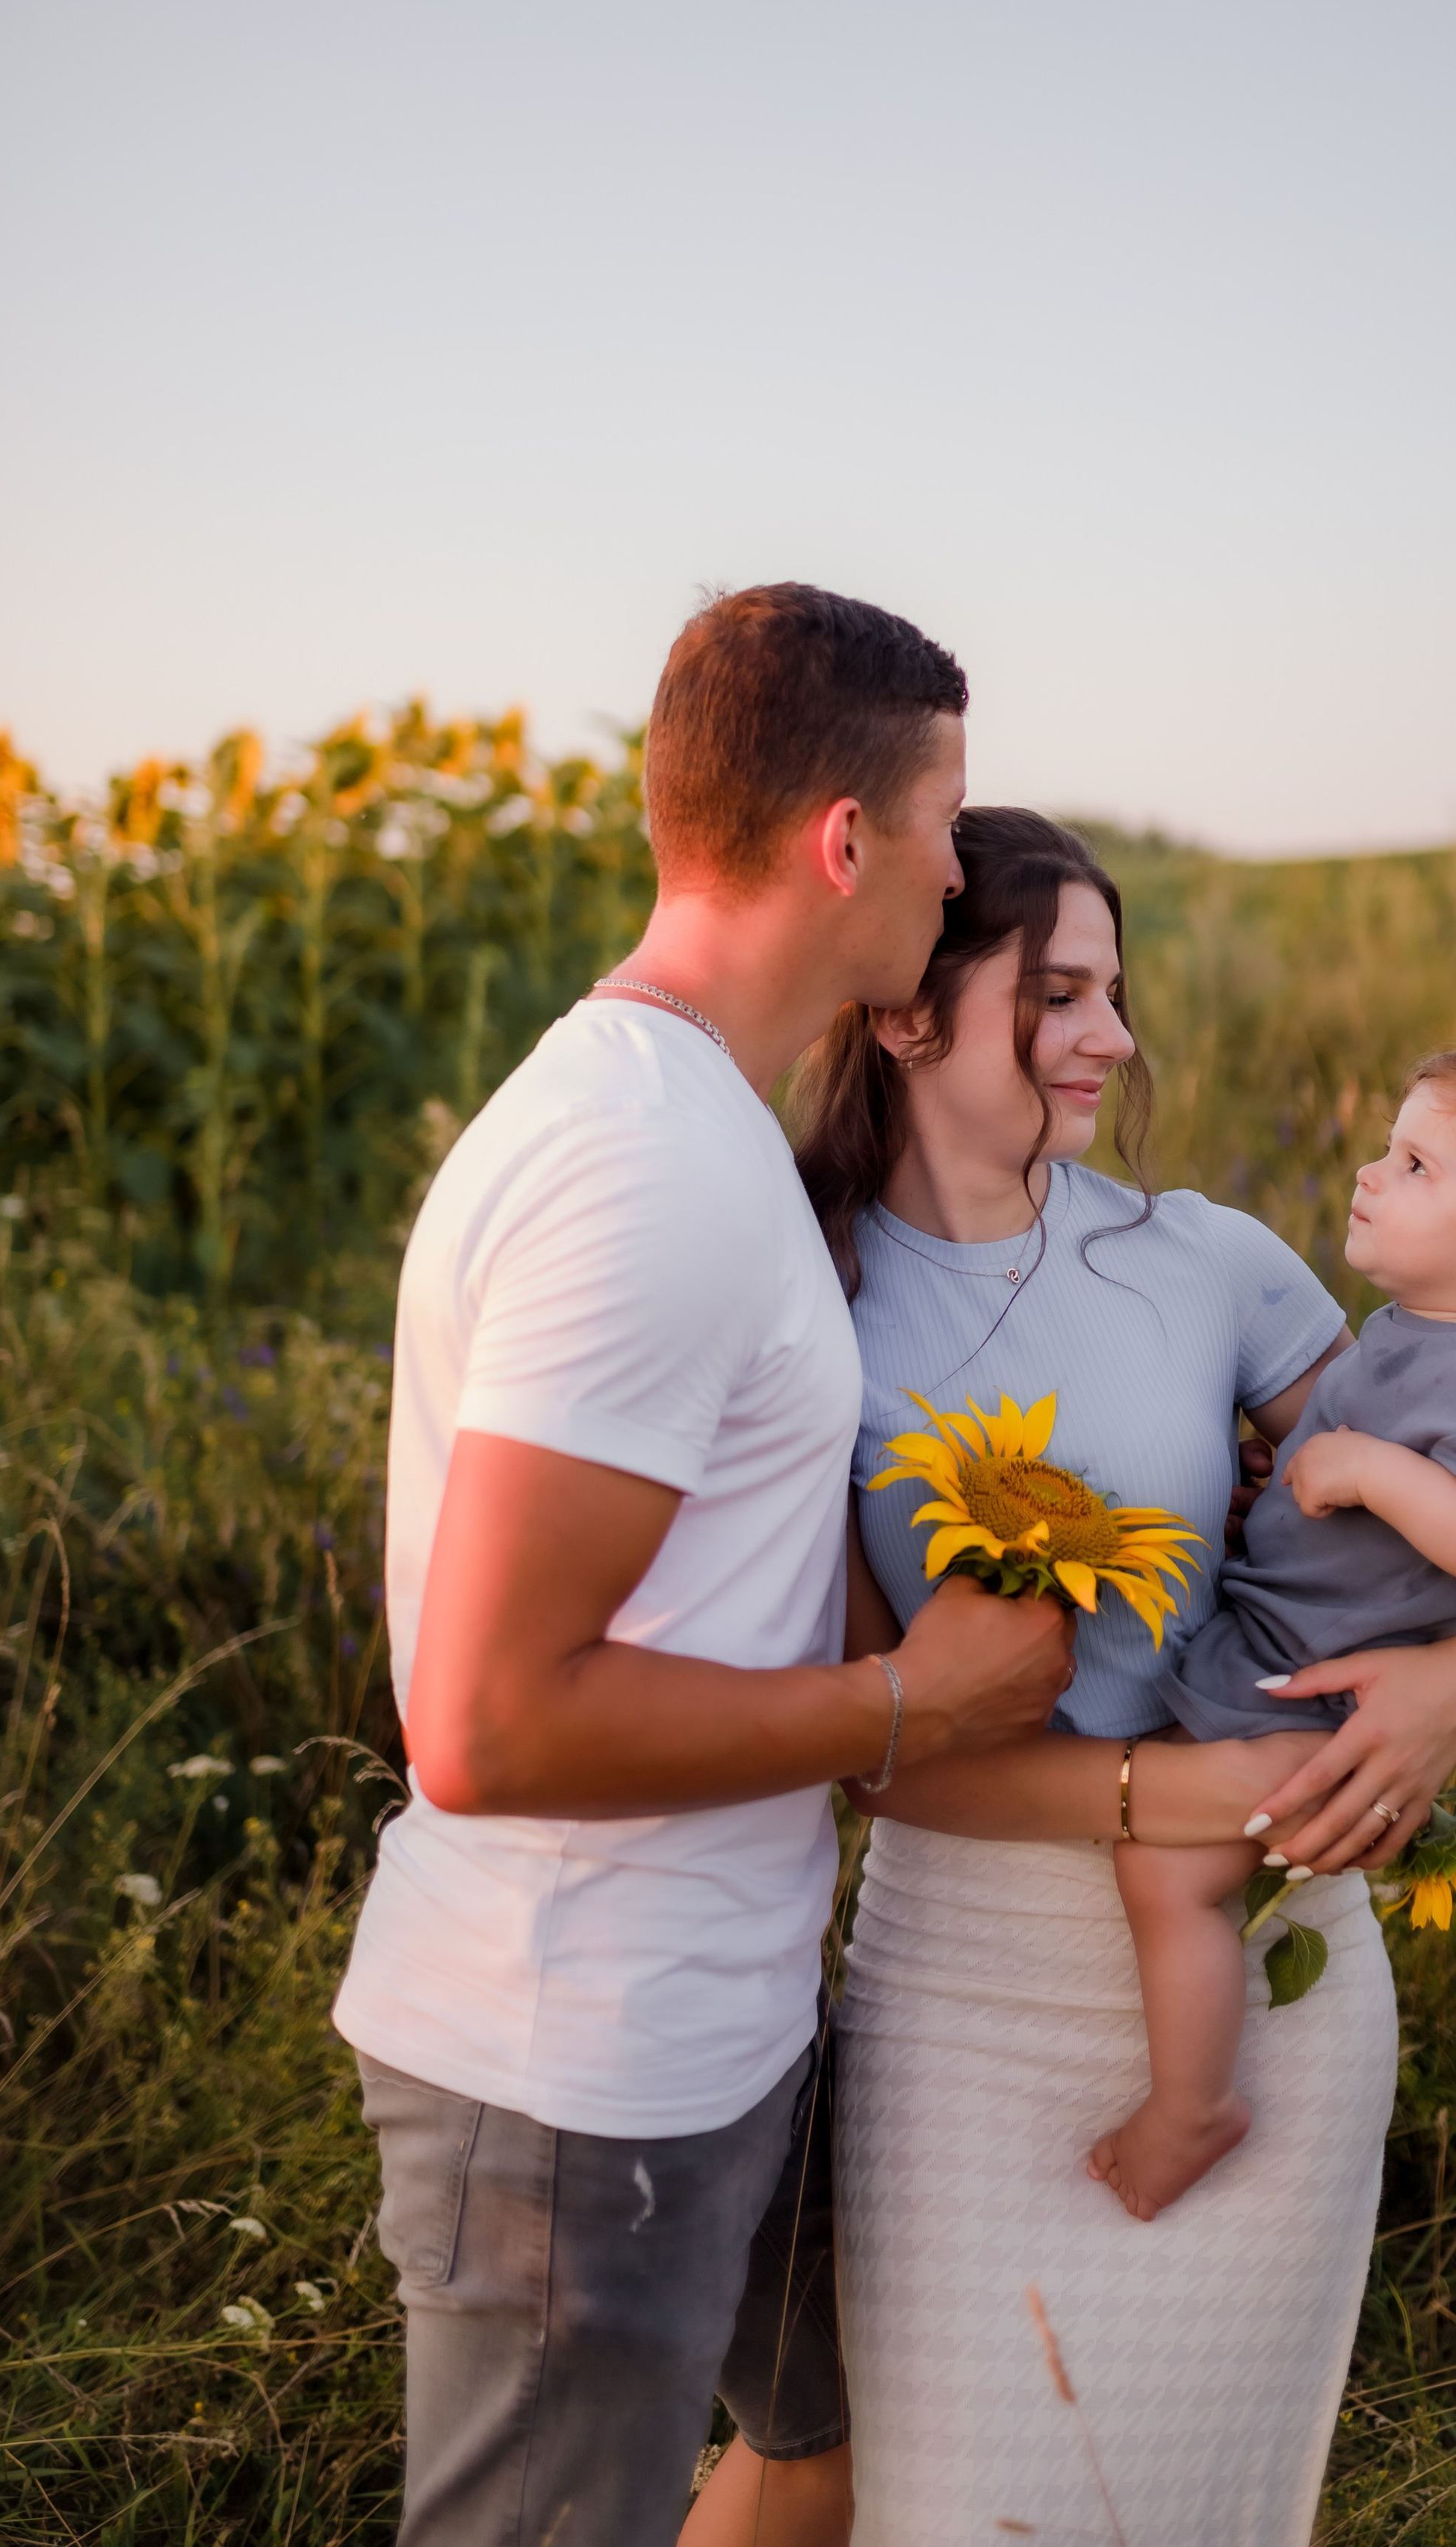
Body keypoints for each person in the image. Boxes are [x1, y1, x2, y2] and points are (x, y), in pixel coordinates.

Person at [332, 589, 1074, 2547]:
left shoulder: (699, 1126)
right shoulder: (640, 1168)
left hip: (724, 2013)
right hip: (583, 2066)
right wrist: (920, 1702)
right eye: (943, 825)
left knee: (830, 2445)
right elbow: (486, 1720)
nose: (954, 871)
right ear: (847, 841)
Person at [784, 809, 1456, 2547]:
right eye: (1056, 996)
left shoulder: (1207, 1258)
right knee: (960, 2511)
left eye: (1113, 992)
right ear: (905, 1012)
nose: (1112, 1038)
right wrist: (1163, 1793)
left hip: (1277, 1978)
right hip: (967, 2001)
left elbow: (1451, 1520)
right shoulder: (804, 1302)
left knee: (1204, 2508)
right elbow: (869, 1751)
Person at [1094, 1047, 1456, 2219]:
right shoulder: (1411, 1334)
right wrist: (1298, 1481)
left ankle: (1193, 2111)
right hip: (1289, 1633)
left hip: (1316, 1692)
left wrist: (1369, 1470)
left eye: (1413, 1164)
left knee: (1165, 1876)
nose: (1367, 1173)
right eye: (1387, 1149)